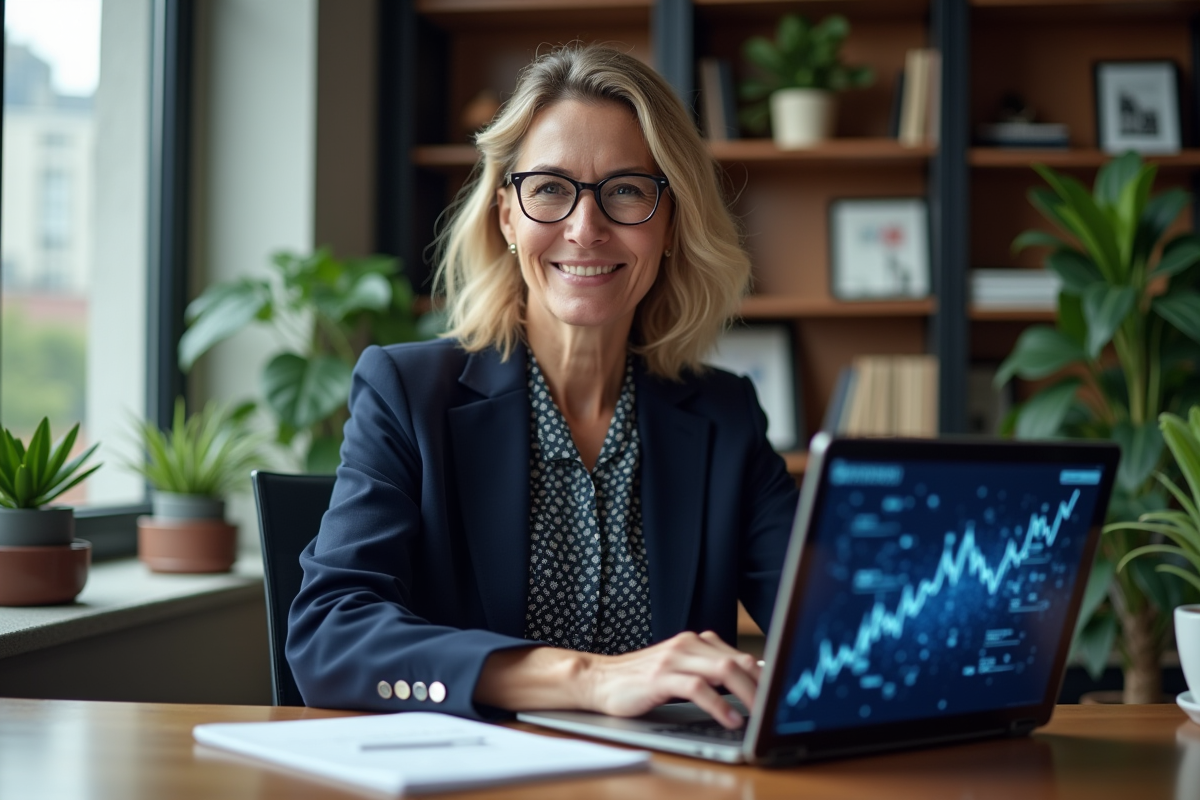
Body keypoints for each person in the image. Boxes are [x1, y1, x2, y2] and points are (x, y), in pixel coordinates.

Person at [287, 45, 799, 730]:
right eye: (551, 189)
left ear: (671, 222)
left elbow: (827, 620)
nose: (585, 230)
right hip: (473, 773)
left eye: (626, 190)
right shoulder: (407, 393)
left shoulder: (724, 414)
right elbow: (330, 635)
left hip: (663, 778)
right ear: (507, 216)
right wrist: (588, 679)